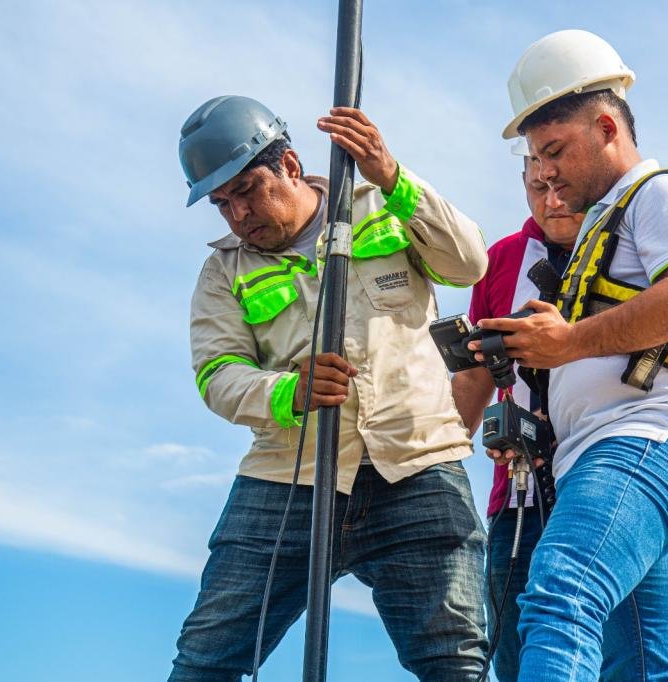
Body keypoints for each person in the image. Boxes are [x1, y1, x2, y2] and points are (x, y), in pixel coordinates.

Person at [169, 95, 489, 681]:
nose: (237, 214)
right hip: (286, 480)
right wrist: (288, 393)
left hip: (417, 466)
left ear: (290, 165)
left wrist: (390, 175)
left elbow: (468, 264)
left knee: (458, 664)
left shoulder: (382, 206)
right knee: (205, 662)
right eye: (221, 203)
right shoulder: (222, 272)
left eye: (246, 190)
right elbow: (217, 376)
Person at [474, 30, 668, 680]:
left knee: (561, 592)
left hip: (642, 446)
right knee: (642, 669)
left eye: (555, 150)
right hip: (622, 453)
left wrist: (569, 342)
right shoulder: (606, 225)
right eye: (533, 158)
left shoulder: (660, 194)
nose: (544, 170)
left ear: (606, 127)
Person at [451, 139, 582, 682]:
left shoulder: (632, 242)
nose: (551, 202)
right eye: (537, 189)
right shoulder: (501, 260)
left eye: (562, 189)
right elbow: (473, 377)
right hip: (518, 493)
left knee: (631, 659)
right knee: (513, 658)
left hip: (614, 475)